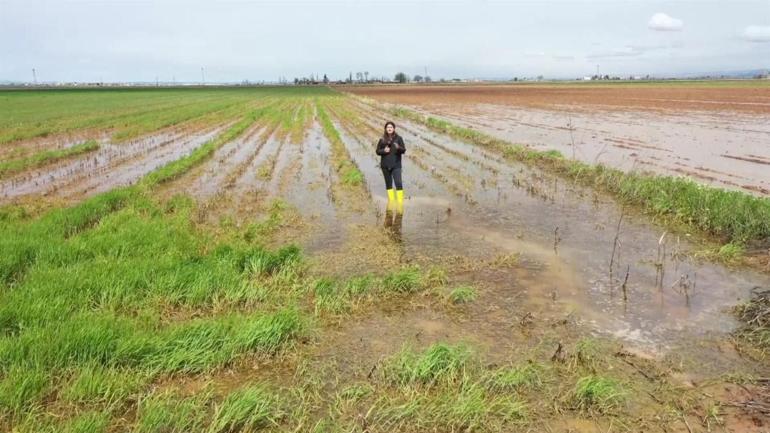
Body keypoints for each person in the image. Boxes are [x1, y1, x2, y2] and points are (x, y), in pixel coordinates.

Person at [376, 121, 406, 212]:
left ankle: (400, 205)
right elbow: (377, 151)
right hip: (385, 165)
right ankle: (391, 203)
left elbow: (404, 150)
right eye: (388, 127)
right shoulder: (382, 139)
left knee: (398, 183)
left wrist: (398, 148)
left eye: (391, 127)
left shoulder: (399, 138)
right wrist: (384, 151)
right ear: (385, 129)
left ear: (394, 128)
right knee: (388, 185)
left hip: (396, 165)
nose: (389, 128)